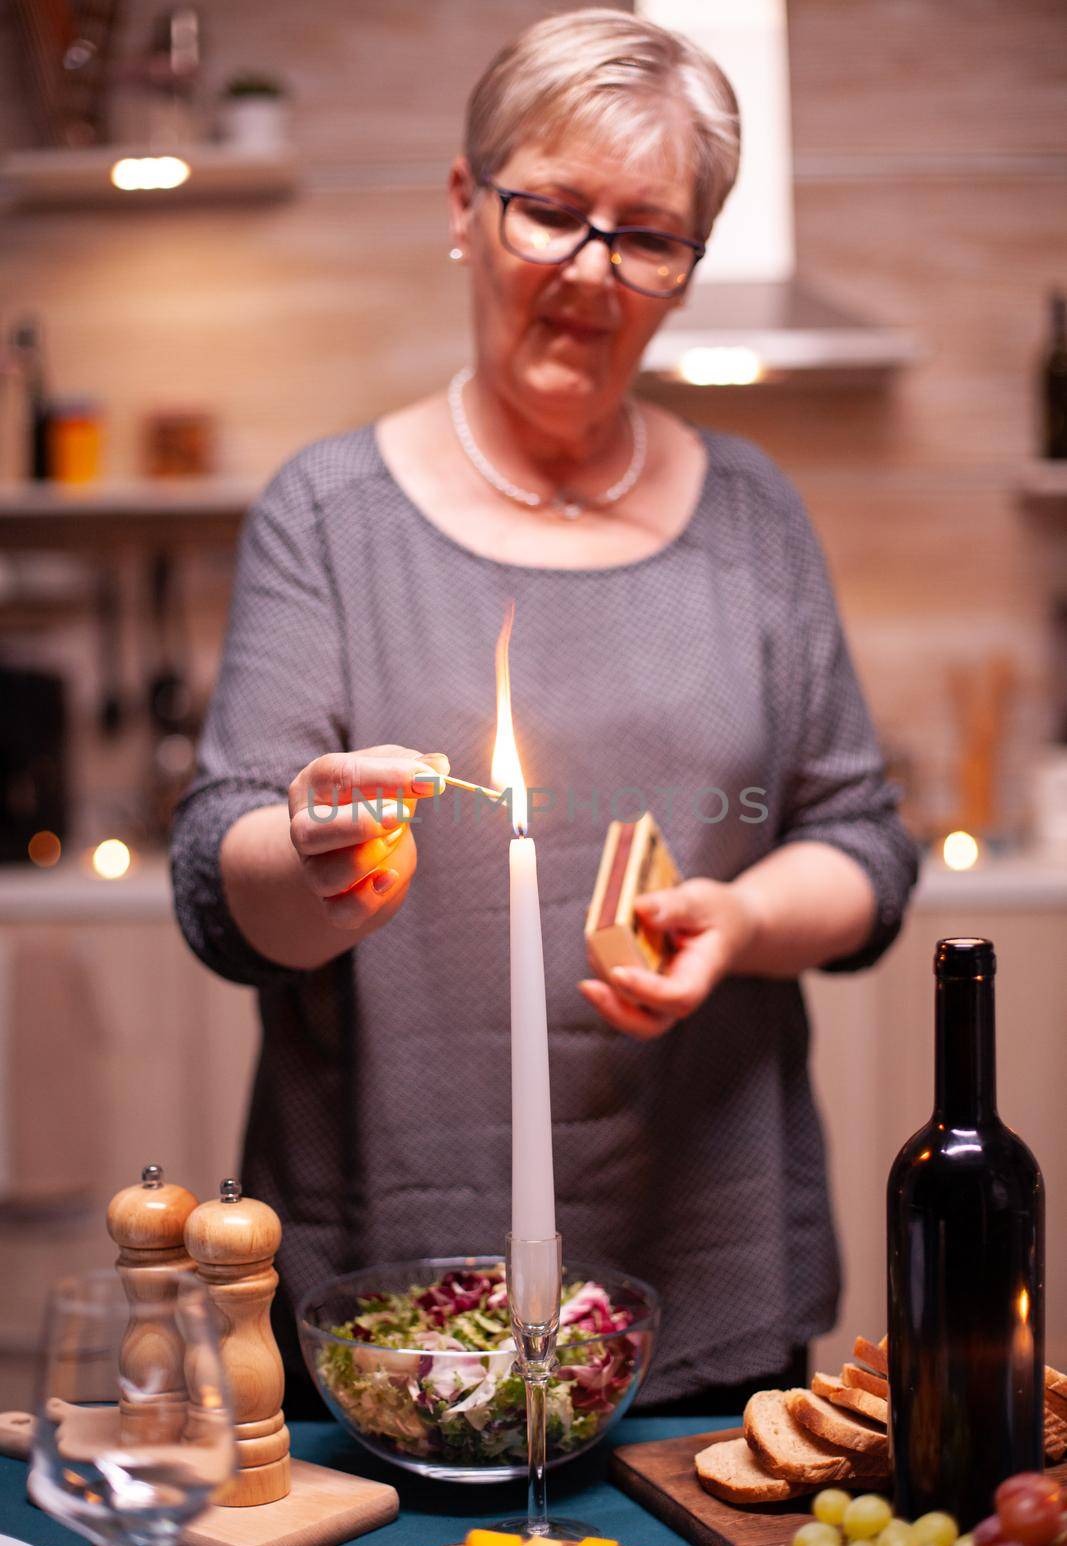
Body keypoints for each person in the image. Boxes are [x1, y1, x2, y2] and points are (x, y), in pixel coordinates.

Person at [171, 7, 919, 1415]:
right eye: (551, 212)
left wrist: (744, 920)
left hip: (707, 1270)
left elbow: (864, 844)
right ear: (465, 204)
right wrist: (314, 849)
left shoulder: (754, 517)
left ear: (687, 266)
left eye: (646, 235)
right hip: (393, 1293)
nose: (591, 271)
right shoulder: (330, 517)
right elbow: (225, 883)